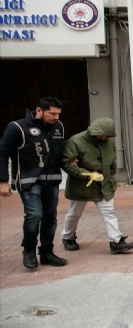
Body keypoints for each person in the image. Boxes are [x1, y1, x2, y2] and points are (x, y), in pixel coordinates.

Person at [0, 97, 68, 270]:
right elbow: (2, 154)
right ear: (39, 110)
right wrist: (3, 181)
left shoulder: (58, 127)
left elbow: (61, 151)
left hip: (52, 180)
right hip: (29, 181)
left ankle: (46, 253)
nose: (56, 118)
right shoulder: (17, 127)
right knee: (35, 215)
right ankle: (29, 250)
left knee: (50, 217)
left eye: (58, 114)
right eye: (52, 113)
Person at [60, 118, 133, 255]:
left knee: (109, 212)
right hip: (82, 185)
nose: (105, 138)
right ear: (95, 132)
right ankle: (67, 237)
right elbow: (67, 164)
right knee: (74, 213)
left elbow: (112, 160)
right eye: (103, 135)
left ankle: (116, 241)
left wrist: (111, 175)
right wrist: (87, 174)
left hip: (104, 184)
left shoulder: (109, 141)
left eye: (108, 135)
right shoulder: (75, 141)